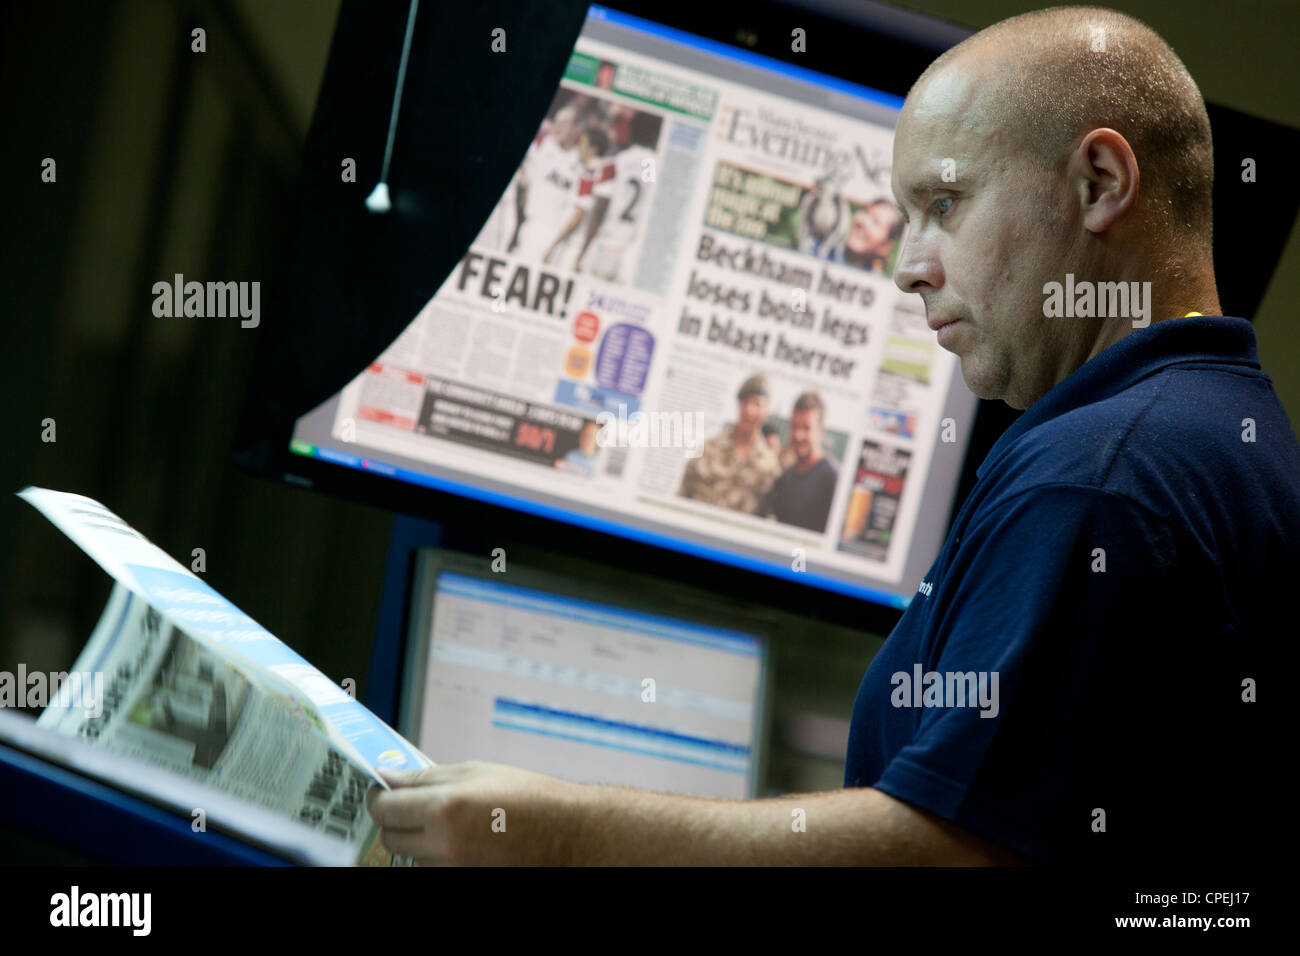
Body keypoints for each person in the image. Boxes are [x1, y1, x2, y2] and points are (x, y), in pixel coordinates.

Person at [369, 6, 1295, 865]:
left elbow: (947, 853)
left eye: (944, 204)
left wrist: (551, 833)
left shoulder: (1104, 476)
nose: (906, 268)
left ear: (1099, 183)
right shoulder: (1217, 434)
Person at [675, 374, 782, 515]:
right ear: (738, 404)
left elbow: (769, 517)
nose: (749, 410)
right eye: (744, 401)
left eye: (757, 404)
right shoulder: (706, 450)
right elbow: (681, 498)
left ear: (766, 410)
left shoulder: (770, 468)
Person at [759, 392, 839, 533]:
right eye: (794, 426)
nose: (798, 435)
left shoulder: (833, 478)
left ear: (821, 432)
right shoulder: (784, 478)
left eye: (806, 428)